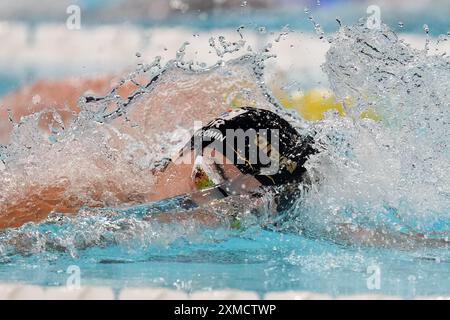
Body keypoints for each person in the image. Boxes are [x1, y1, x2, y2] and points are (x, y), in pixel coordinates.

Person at [0, 106, 316, 229]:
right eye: (204, 178)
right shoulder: (86, 191)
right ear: (186, 155)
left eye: (238, 215)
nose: (205, 207)